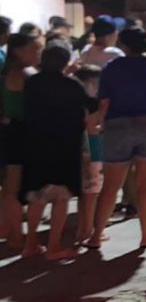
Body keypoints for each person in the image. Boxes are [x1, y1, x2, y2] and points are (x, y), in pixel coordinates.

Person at [88, 28, 146, 249]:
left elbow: (104, 103)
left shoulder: (112, 68)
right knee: (145, 185)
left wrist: (103, 126)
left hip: (119, 126)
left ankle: (96, 236)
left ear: (124, 46)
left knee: (111, 187)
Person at [20, 44, 92, 260]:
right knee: (61, 197)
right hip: (64, 146)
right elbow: (90, 105)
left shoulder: (32, 82)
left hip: (35, 144)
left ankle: (31, 244)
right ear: (65, 61)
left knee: (36, 196)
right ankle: (53, 247)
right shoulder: (72, 84)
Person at [0, 33, 43, 249]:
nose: (38, 54)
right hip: (21, 133)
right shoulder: (24, 73)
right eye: (34, 50)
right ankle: (17, 236)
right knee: (14, 187)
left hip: (11, 131)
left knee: (10, 185)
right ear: (18, 51)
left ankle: (8, 230)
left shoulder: (8, 70)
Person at [73, 64, 104, 245]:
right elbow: (94, 128)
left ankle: (83, 227)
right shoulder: (93, 104)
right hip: (93, 146)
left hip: (80, 146)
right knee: (92, 191)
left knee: (85, 192)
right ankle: (87, 230)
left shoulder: (74, 101)